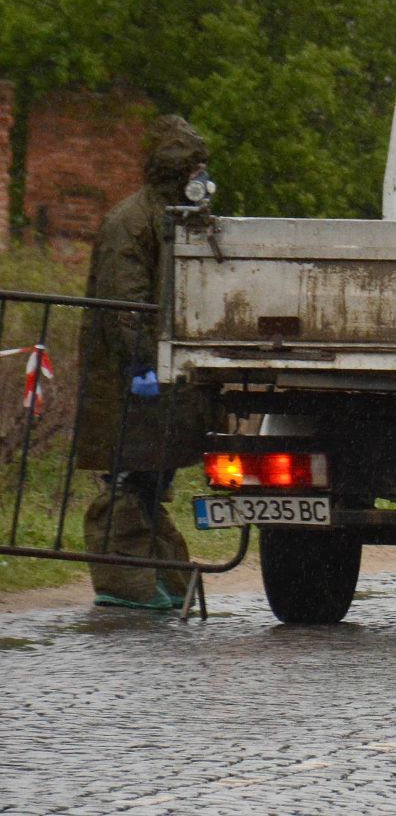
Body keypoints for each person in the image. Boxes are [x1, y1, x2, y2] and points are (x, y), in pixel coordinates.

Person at [73, 116, 214, 609]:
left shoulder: (171, 216)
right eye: (195, 168)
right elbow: (125, 305)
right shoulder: (131, 221)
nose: (202, 178)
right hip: (126, 374)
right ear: (176, 170)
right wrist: (140, 366)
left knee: (152, 476)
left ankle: (163, 580)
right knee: (127, 476)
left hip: (159, 367)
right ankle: (126, 583)